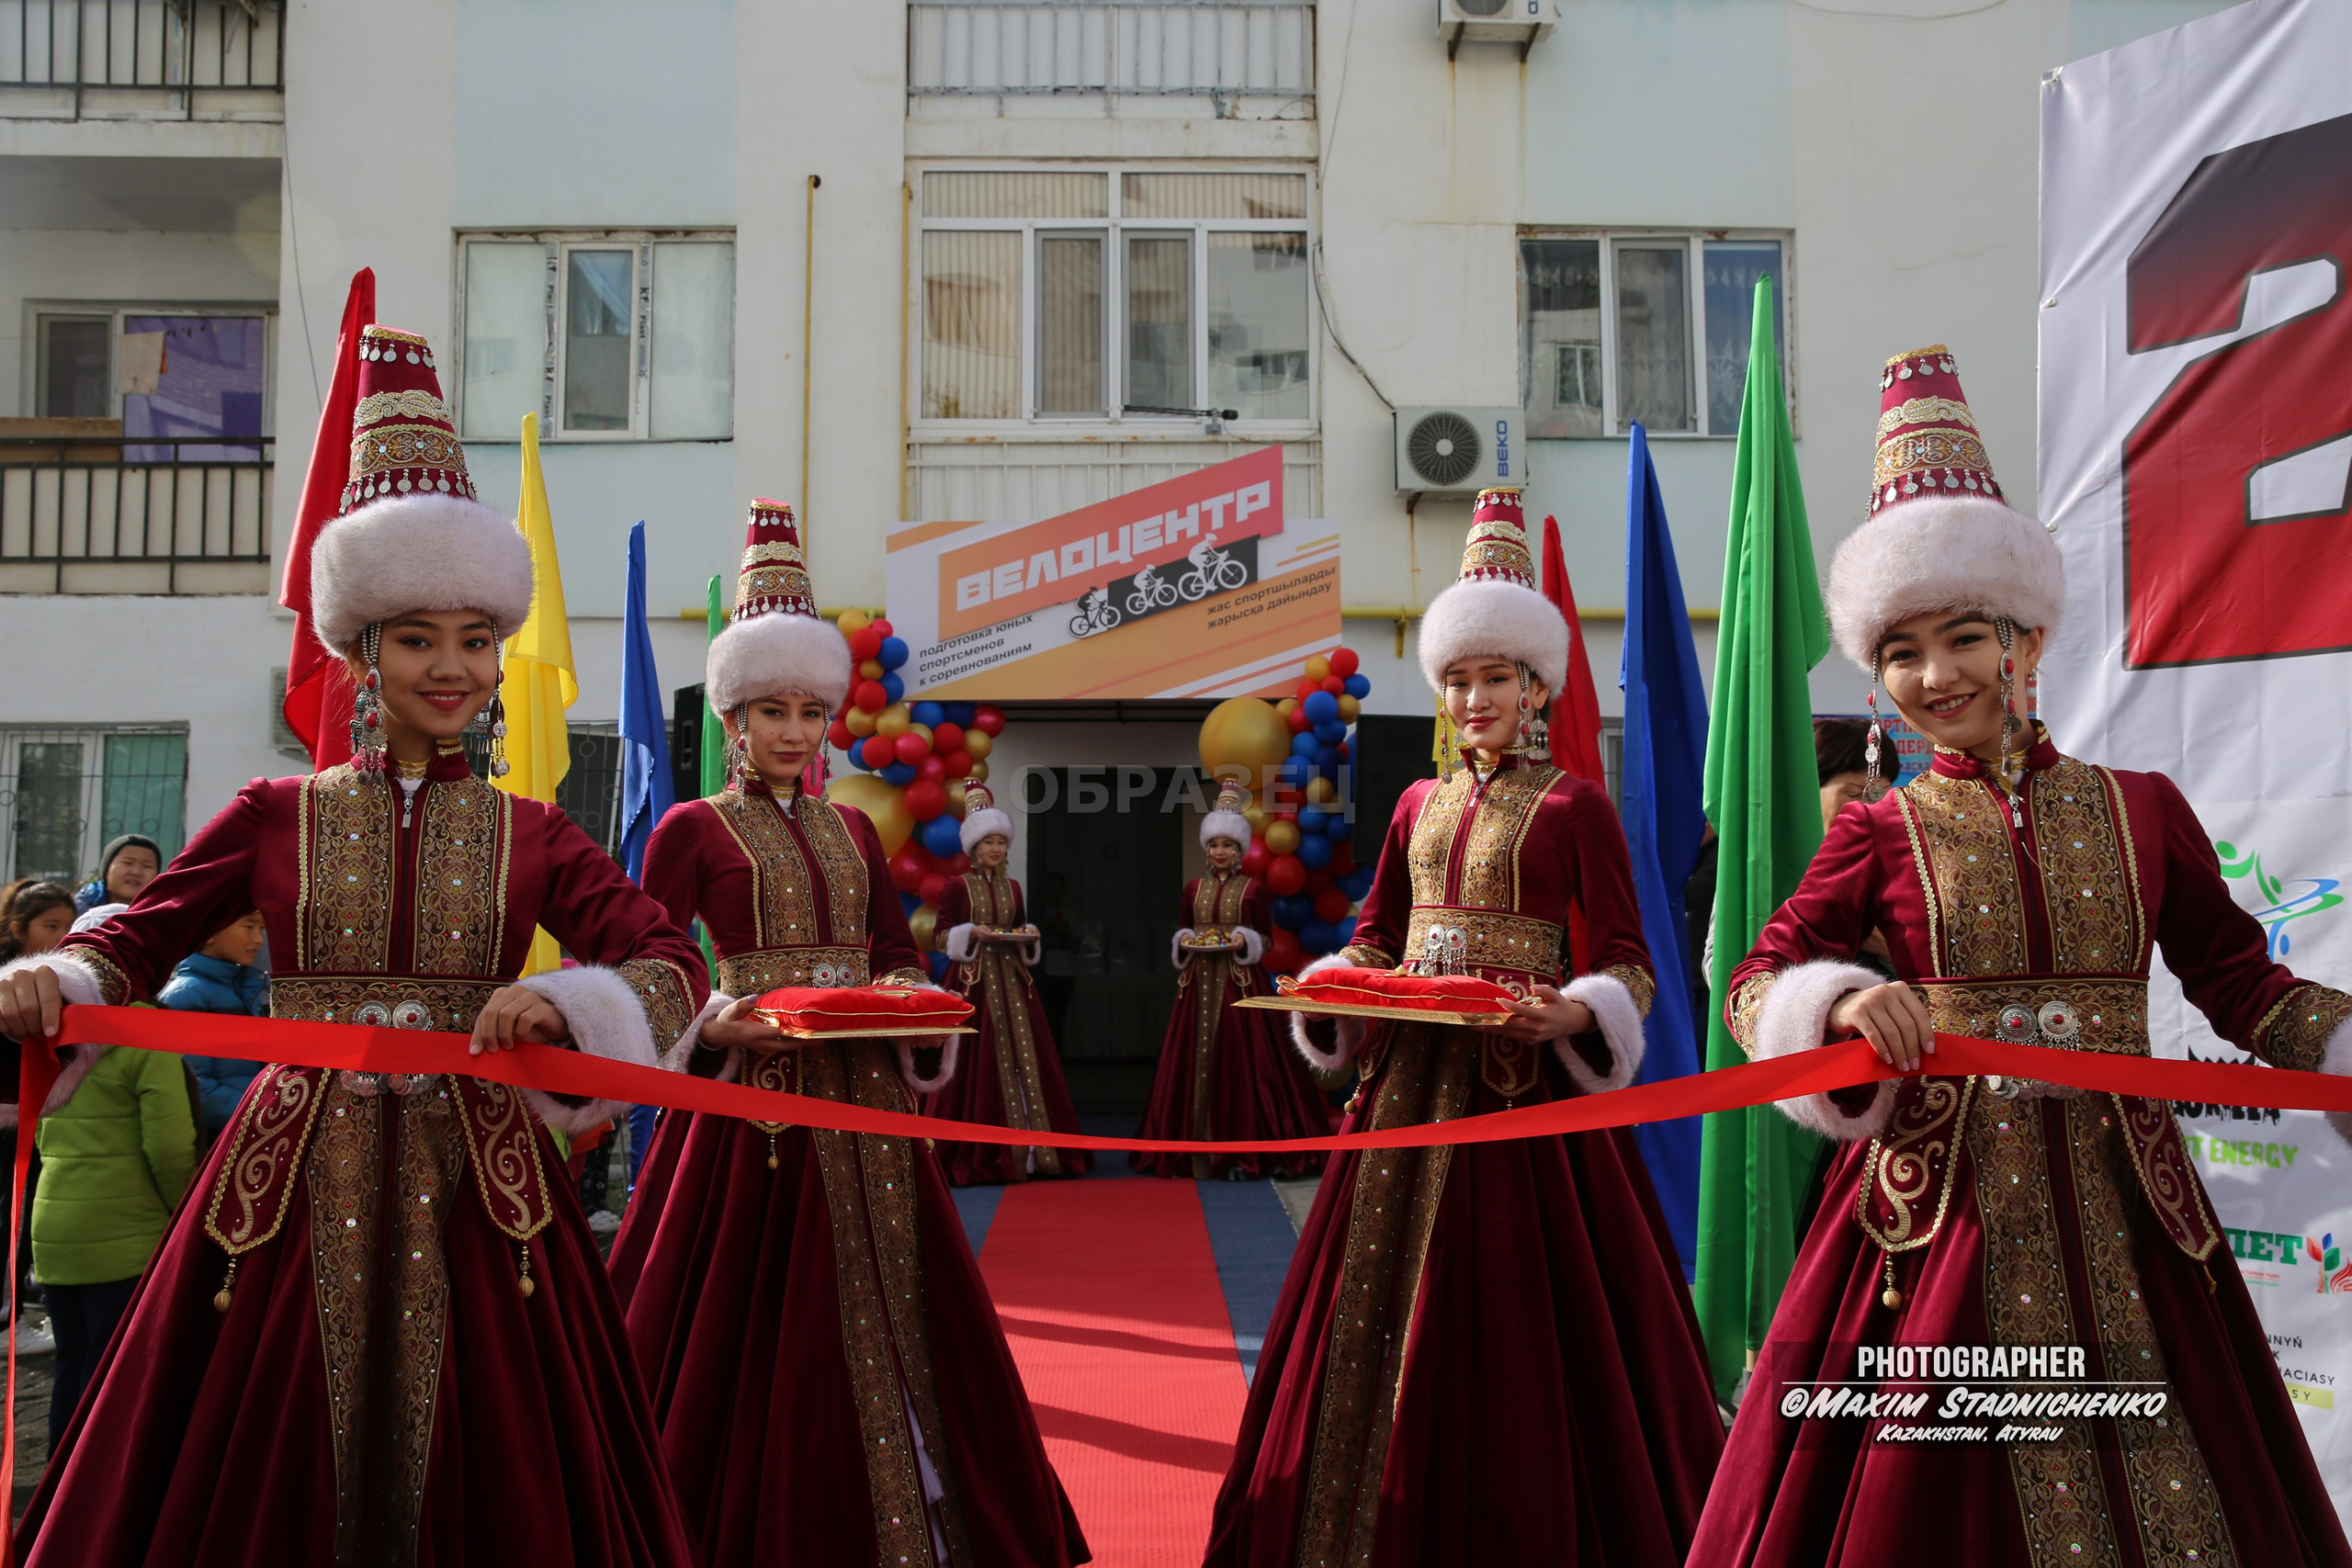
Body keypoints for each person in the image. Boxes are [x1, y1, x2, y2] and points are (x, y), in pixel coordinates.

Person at [0, 323, 705, 1566]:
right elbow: (136, 938)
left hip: (485, 1178)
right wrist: (51, 977)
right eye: (420, 637)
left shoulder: (534, 831)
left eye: (477, 638)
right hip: (289, 1177)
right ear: (362, 649)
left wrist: (564, 1004)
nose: (454, 667)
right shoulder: (275, 814)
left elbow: (669, 961)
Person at [1690, 346, 2352, 1568]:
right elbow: (1752, 980)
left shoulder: (2141, 807)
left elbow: (2239, 982)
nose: (1935, 675)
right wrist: (1839, 1006)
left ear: (2028, 640)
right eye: (1901, 651)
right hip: (1936, 1215)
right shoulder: (1876, 829)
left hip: (2129, 1204)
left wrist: (2340, 1046)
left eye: (1963, 637)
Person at [1204, 490, 1723, 1567]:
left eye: (1497, 677)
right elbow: (1374, 933)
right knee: (1377, 1294)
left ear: (1537, 688)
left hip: (1524, 1087)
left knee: (1527, 1304)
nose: (1475, 698)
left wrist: (1574, 1011)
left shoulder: (1575, 805)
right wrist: (1342, 987)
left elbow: (1632, 960)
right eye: (1457, 680)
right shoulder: (1415, 804)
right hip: (1406, 1086)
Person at [609, 501, 1087, 1568]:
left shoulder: (853, 827)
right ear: (732, 717)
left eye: (809, 712)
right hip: (752, 1108)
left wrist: (907, 1001)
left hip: (869, 1097)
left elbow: (891, 951)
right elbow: (652, 955)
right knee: (747, 1309)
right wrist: (716, 1023)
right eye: (768, 709)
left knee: (903, 1290)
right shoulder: (690, 828)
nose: (791, 731)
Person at [1130, 779, 1329, 1179]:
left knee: (1246, 1060)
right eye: (1214, 845)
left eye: (1228, 845)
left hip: (1239, 982)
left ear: (1239, 850)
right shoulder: (1193, 890)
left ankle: (1246, 1151)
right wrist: (1184, 940)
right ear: (1207, 849)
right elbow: (1185, 930)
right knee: (1191, 1057)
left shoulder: (1253, 890)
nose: (1220, 852)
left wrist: (1245, 940)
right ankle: (1191, 1151)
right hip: (1197, 983)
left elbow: (1266, 938)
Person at [29, 980, 198, 1438]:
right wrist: (184, 1214)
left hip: (54, 1229)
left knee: (72, 1364)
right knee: (114, 1380)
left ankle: (60, 1478)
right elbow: (169, 1149)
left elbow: (40, 1129)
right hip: (127, 1234)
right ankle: (94, 1481)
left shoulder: (58, 1026)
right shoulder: (146, 1031)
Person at [921, 780, 1090, 1185]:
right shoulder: (957, 886)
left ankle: (1035, 1153)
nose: (995, 849)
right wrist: (972, 933)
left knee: (1027, 1054)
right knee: (976, 1060)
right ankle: (982, 1149)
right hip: (974, 981)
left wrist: (1028, 934)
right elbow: (940, 937)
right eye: (988, 842)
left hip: (1014, 983)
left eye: (1000, 842)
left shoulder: (1013, 887)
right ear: (974, 847)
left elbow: (1019, 928)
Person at [0, 879, 74, 1357]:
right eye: (51, 925)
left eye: (69, 926)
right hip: (9, 1119)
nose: (62, 937)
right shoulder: (8, 989)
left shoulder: (71, 996)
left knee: (21, 1209)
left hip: (36, 1123)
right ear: (18, 930)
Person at [159, 909, 270, 1137]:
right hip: (222, 1134)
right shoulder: (187, 995)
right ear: (209, 932)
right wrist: (263, 1116)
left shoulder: (246, 989)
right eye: (249, 926)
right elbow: (196, 1086)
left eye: (261, 928)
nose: (258, 939)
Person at [72, 835, 161, 915]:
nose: (136, 872)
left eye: (147, 866)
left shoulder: (162, 914)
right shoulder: (76, 910)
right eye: (127, 863)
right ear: (107, 869)